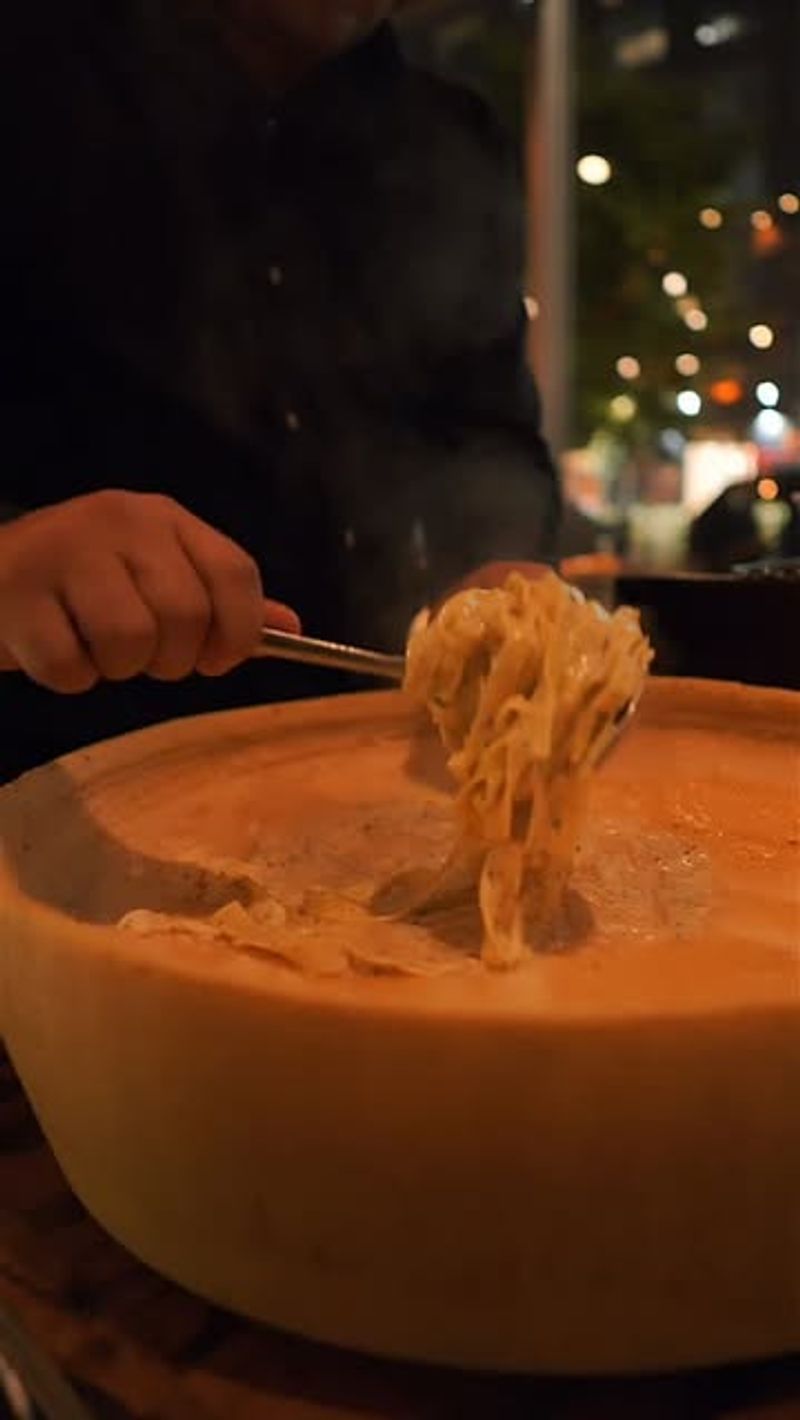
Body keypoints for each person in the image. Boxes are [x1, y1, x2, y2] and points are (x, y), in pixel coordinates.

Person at [0, 0, 559, 782]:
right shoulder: (30, 75)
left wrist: (502, 584)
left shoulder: (453, 133)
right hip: (43, 776)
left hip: (355, 767)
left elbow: (490, 430)